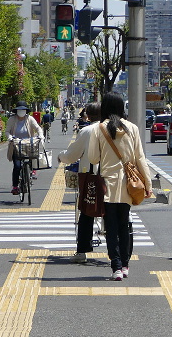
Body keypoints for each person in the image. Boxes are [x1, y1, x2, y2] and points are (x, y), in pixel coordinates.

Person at [84, 92, 153, 280]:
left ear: (104, 108)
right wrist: (148, 183)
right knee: (125, 224)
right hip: (129, 185)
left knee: (111, 227)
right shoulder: (132, 128)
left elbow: (93, 158)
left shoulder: (99, 129)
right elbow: (140, 158)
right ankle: (125, 265)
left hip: (108, 185)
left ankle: (115, 267)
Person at [59, 102, 103, 264]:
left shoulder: (87, 131)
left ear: (87, 115)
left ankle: (82, 251)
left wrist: (61, 157)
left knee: (86, 212)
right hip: (112, 176)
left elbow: (72, 155)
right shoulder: (112, 129)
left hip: (91, 175)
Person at [6, 103, 44, 196]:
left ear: (26, 111)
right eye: (19, 110)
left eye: (23, 110)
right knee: (17, 166)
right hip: (16, 145)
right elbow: (7, 131)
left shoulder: (30, 119)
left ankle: (31, 172)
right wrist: (10, 137)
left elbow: (38, 128)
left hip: (28, 144)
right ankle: (15, 186)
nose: (21, 112)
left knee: (32, 158)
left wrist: (41, 135)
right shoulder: (12, 119)